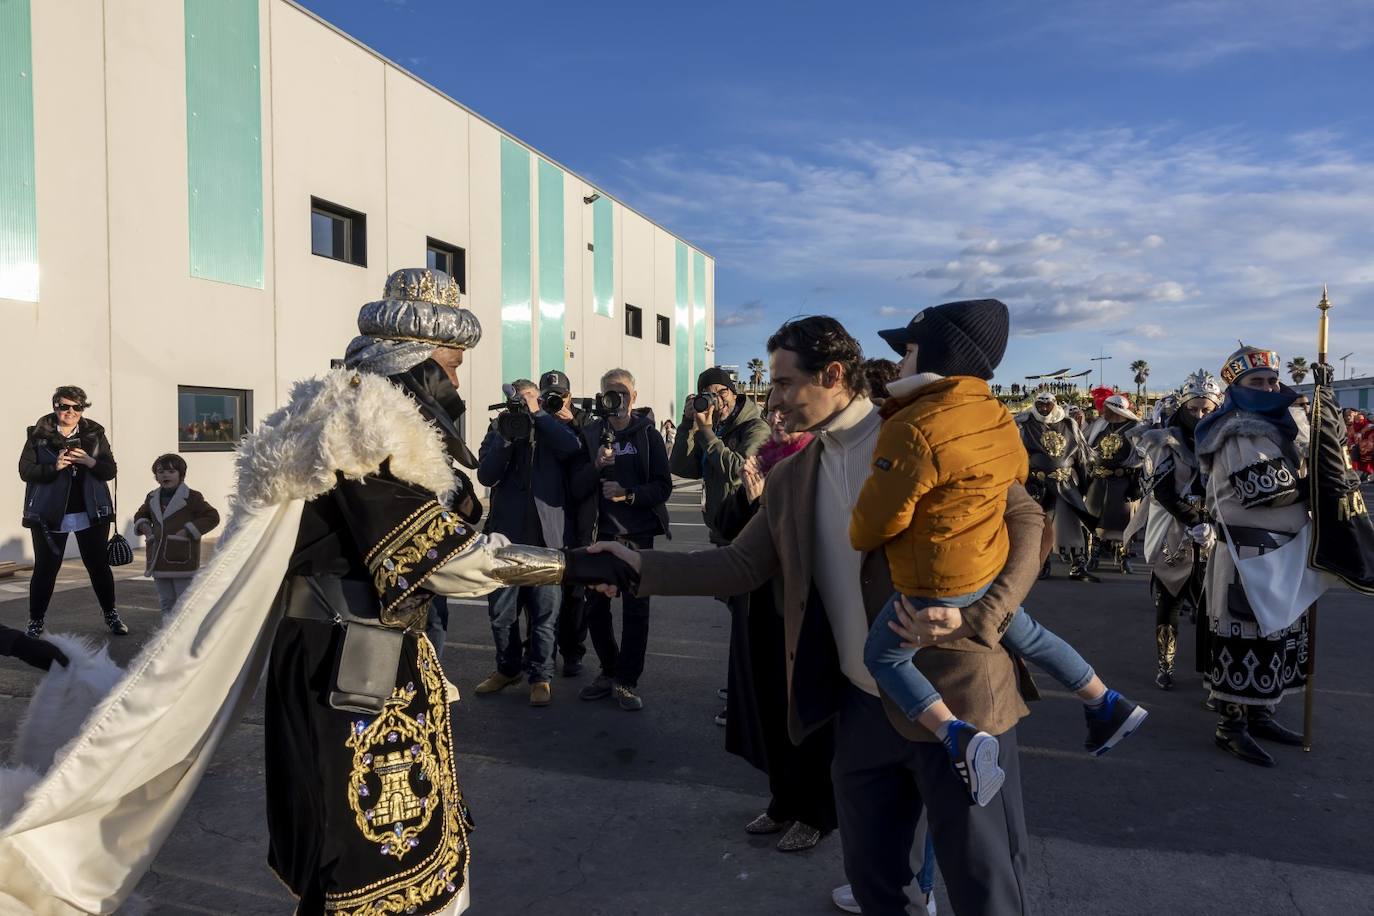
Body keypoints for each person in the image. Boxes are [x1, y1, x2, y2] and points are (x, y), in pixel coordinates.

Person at [0, 268, 622, 914]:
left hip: (358, 659)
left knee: (364, 856)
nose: (459, 381)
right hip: (350, 670)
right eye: (452, 362)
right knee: (369, 865)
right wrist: (574, 566)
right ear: (414, 360)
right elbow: (444, 561)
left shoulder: (355, 421)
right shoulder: (362, 433)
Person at [580, 316, 1045, 916]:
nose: (770, 400)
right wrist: (638, 566)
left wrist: (985, 615)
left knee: (987, 890)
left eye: (781, 383)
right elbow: (741, 565)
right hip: (858, 713)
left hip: (960, 701)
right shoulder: (794, 476)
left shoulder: (923, 431)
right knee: (877, 887)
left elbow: (1028, 520)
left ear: (832, 375)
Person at [853, 301, 1145, 809]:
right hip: (985, 563)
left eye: (909, 349)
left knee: (882, 655)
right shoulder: (995, 414)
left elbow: (876, 524)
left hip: (934, 577)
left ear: (935, 356)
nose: (900, 361)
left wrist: (861, 523)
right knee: (1027, 631)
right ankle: (1103, 700)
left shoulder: (914, 423)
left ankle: (956, 736)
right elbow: (1012, 485)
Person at [715, 396, 836, 853]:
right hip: (757, 606)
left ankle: (817, 814)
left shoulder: (817, 464)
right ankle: (783, 801)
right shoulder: (762, 461)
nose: (777, 420)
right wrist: (750, 496)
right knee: (767, 706)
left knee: (805, 711)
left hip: (802, 608)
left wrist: (765, 501)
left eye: (786, 412)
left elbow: (809, 542)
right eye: (772, 413)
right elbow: (727, 527)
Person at [1194, 345, 1310, 767]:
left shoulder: (1277, 426)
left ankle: (1261, 715)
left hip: (1279, 553)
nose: (1267, 388)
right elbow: (1263, 489)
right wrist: (1321, 486)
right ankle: (1232, 728)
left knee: (1274, 635)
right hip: (1246, 553)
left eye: (1271, 381)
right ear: (1235, 388)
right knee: (1242, 636)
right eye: (1256, 382)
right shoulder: (1235, 429)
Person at [473, 377, 585, 706]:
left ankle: (541, 676)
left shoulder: (554, 428)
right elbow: (486, 475)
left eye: (529, 400)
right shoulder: (500, 427)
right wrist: (505, 438)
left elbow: (572, 448)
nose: (523, 406)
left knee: (544, 615)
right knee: (501, 613)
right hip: (504, 539)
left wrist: (539, 416)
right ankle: (507, 669)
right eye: (519, 402)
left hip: (546, 538)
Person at [670, 366, 770, 723]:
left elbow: (740, 470)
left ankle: (749, 697)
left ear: (734, 393)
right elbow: (682, 468)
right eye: (707, 391)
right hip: (724, 532)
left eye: (721, 390)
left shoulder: (755, 428)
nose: (716, 397)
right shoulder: (717, 427)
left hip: (749, 533)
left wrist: (708, 431)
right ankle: (742, 683)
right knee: (738, 617)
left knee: (749, 620)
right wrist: (688, 425)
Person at [576, 369, 672, 711]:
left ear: (634, 395)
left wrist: (628, 494)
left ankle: (627, 681)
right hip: (600, 534)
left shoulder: (648, 434)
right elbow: (576, 487)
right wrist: (596, 467)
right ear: (601, 395)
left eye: (624, 392)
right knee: (596, 609)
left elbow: (663, 486)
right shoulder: (590, 433)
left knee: (636, 611)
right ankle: (608, 669)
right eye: (610, 392)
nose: (617, 398)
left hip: (637, 536)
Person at [1133, 370, 1222, 690]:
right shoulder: (1165, 440)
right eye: (1194, 409)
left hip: (1215, 530)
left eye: (1206, 410)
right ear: (1183, 406)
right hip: (1176, 530)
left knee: (1214, 606)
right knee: (1169, 601)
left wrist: (1213, 522)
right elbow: (1163, 490)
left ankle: (1213, 669)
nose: (1199, 415)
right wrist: (1195, 523)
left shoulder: (1223, 439)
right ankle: (1165, 665)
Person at [18, 386, 128, 637]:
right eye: (64, 406)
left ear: (83, 408)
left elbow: (110, 470)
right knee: (45, 569)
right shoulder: (38, 435)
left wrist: (89, 461)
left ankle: (111, 614)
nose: (70, 412)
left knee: (98, 566)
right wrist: (54, 466)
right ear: (55, 406)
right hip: (49, 513)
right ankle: (35, 621)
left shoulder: (94, 433)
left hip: (91, 512)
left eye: (76, 407)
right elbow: (25, 472)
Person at [538, 369, 597, 677]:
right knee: (543, 589)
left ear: (569, 397)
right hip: (549, 513)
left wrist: (570, 422)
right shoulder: (539, 422)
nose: (554, 401)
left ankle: (572, 651)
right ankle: (538, 654)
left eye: (559, 396)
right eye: (548, 395)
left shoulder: (585, 422)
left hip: (580, 516)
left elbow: (590, 453)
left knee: (575, 590)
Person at [1016, 391, 1094, 580]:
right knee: (1039, 525)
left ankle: (1078, 564)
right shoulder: (1024, 424)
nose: (1043, 408)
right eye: (1040, 404)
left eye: (1047, 404)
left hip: (1065, 482)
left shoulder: (1069, 424)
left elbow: (1081, 457)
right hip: (1037, 483)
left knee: (1076, 521)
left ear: (1054, 404)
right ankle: (1042, 563)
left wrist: (1084, 485)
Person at [132, 453, 221, 616]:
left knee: (184, 603)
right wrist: (145, 526)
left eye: (171, 471)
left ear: (181, 475)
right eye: (161, 472)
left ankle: (185, 637)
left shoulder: (192, 497)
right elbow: (141, 514)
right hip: (157, 560)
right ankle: (167, 636)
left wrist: (188, 531)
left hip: (182, 559)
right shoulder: (152, 497)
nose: (165, 475)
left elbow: (212, 516)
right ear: (156, 476)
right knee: (166, 602)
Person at [1083, 393, 1147, 574]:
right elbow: (1089, 448)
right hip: (1099, 480)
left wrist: (1137, 482)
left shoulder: (1135, 428)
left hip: (1123, 482)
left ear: (1115, 409)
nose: (1102, 411)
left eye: (1106, 408)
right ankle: (1093, 555)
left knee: (1123, 522)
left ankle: (1123, 558)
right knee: (1093, 518)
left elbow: (1143, 456)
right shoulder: (1101, 426)